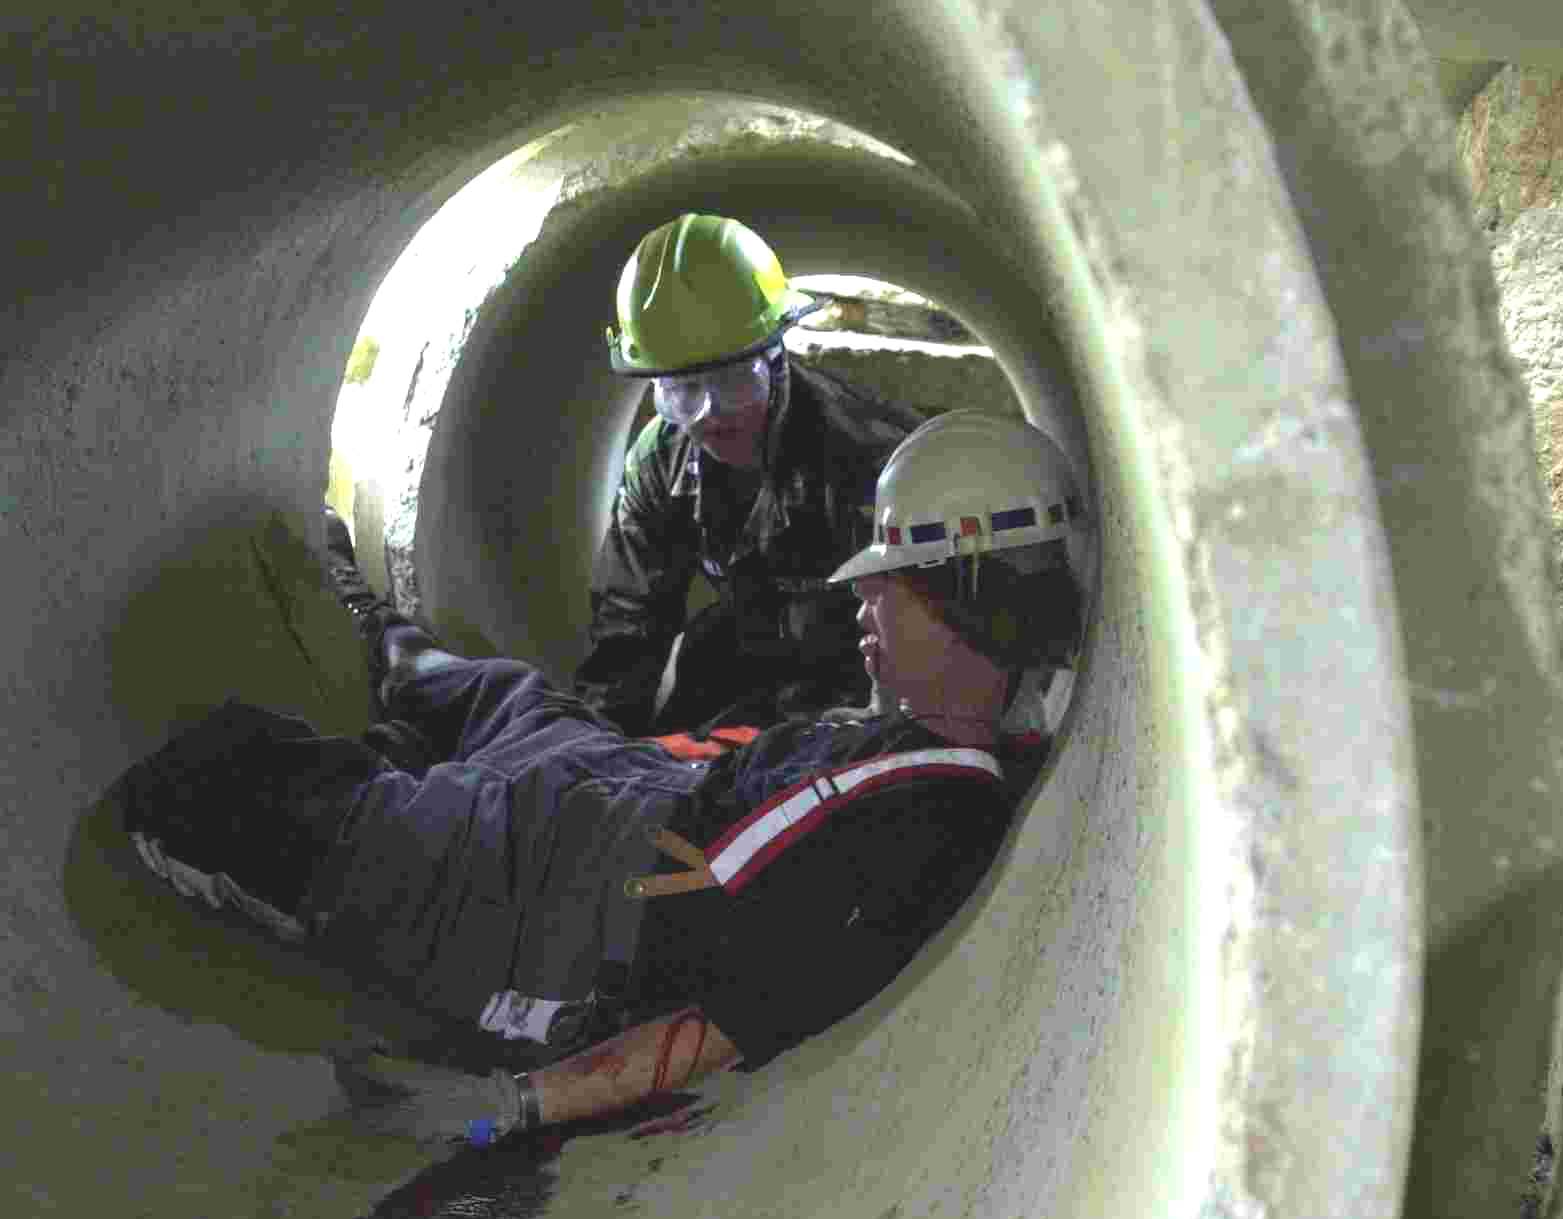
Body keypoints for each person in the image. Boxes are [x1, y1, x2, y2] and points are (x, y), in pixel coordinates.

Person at [117, 410, 1086, 1146]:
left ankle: (374, 773)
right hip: (613, 781)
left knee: (203, 790)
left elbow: (753, 1007)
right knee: (476, 685)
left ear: (976, 600)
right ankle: (376, 638)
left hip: (546, 898)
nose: (863, 592)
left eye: (895, 577)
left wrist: (506, 1104)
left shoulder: (933, 815)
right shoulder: (908, 732)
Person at [577, 212, 927, 736]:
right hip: (748, 649)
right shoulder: (660, 460)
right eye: (684, 391)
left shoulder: (874, 461)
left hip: (853, 676)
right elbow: (628, 624)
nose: (712, 413)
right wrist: (599, 749)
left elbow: (926, 647)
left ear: (776, 359)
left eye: (735, 381)